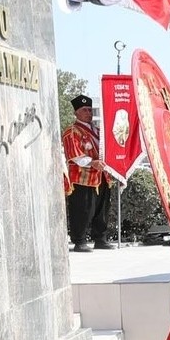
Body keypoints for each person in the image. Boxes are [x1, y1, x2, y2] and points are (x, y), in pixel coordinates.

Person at [62, 94, 114, 253]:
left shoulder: (99, 131)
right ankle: (80, 241)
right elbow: (74, 155)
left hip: (102, 176)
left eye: (90, 110)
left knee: (102, 209)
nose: (88, 113)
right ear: (76, 112)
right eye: (84, 110)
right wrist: (93, 163)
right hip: (82, 177)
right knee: (82, 210)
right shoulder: (72, 131)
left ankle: (100, 239)